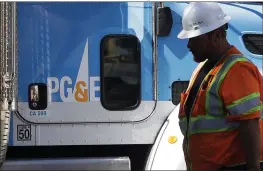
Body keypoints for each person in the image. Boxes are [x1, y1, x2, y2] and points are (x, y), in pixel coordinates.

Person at [177, 2, 263, 171]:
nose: (188, 45)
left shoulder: (237, 70)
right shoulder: (203, 68)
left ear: (215, 36)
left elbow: (250, 124)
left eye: (194, 39)